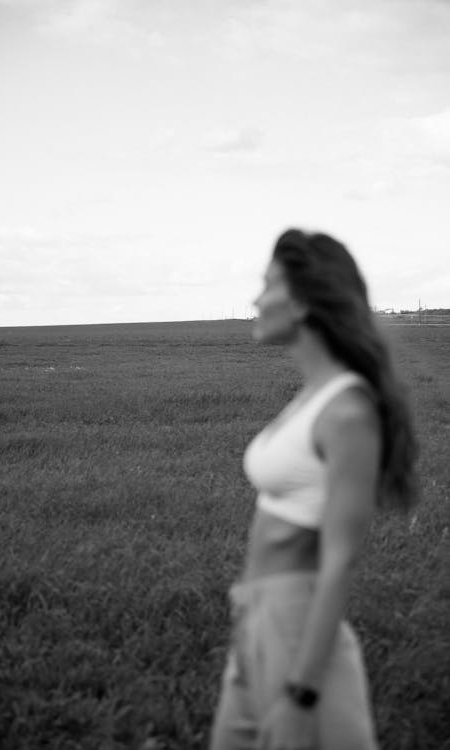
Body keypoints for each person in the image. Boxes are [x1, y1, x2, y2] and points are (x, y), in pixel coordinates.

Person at [208, 228, 420, 750]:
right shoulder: (310, 397)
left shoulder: (347, 412)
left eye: (267, 284)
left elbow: (339, 561)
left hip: (298, 632)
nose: (255, 299)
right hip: (255, 621)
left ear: (302, 302)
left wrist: (302, 693)